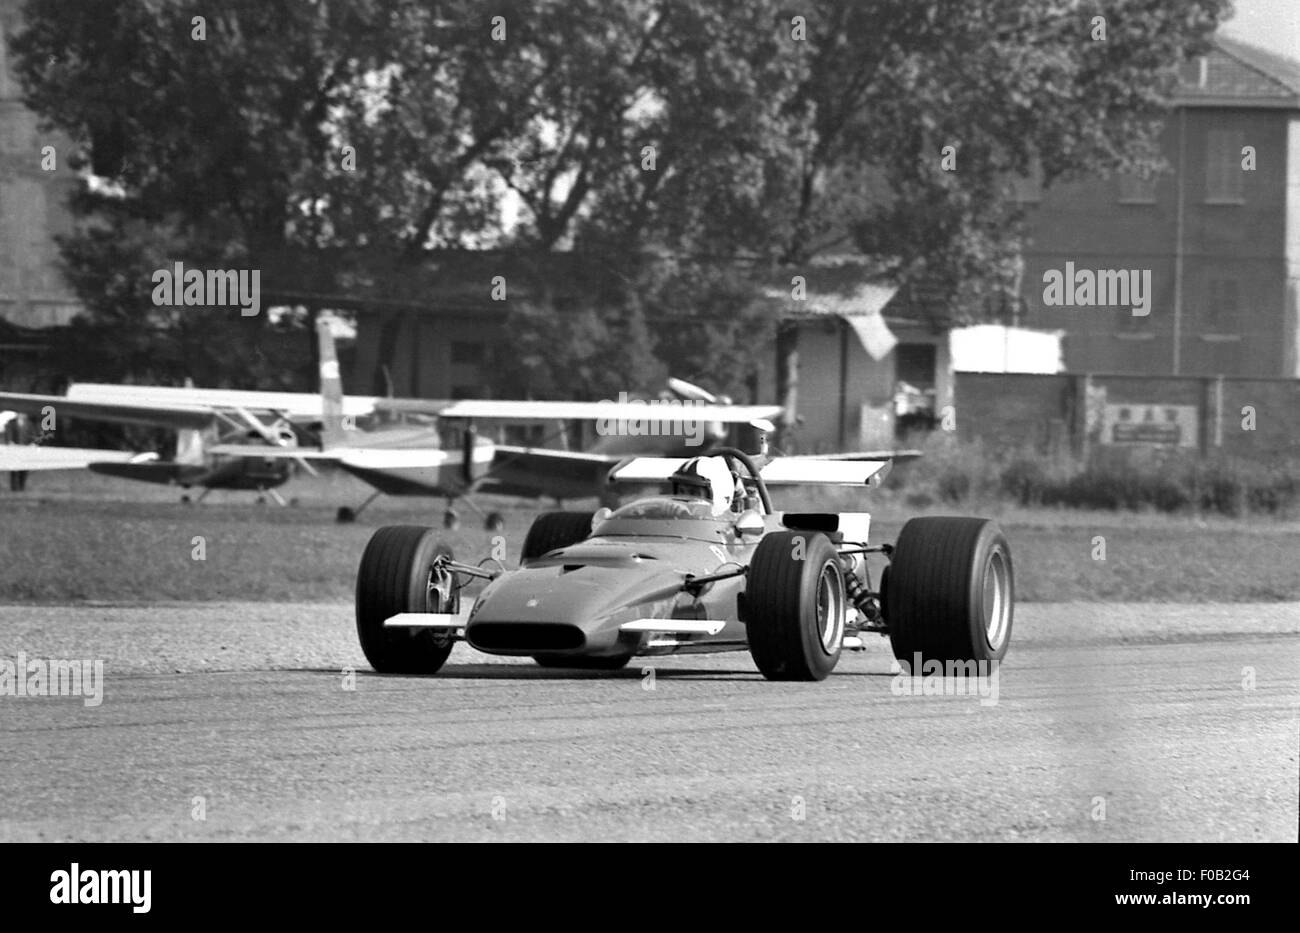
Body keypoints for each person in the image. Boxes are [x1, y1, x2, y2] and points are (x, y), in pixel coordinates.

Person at [669, 456, 737, 517]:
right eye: (681, 491)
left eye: (693, 493)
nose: (684, 499)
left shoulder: (732, 529)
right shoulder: (669, 524)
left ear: (718, 495)